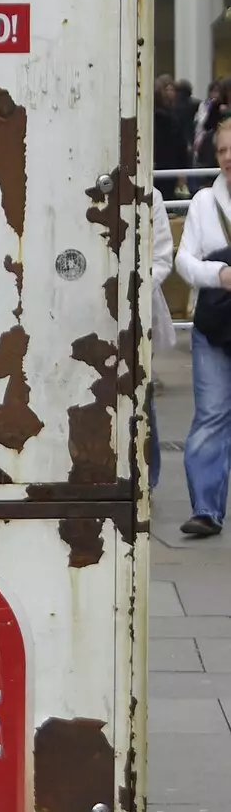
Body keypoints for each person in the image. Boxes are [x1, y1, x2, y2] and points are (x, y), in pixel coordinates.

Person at [175, 115, 231, 536]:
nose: (228, 158)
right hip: (216, 324)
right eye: (223, 151)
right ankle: (207, 510)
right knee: (211, 414)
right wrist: (219, 275)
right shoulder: (203, 203)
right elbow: (183, 261)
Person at [150, 190, 175, 487]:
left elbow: (162, 257)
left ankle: (148, 478)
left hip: (139, 305)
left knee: (141, 390)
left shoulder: (151, 195)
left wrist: (135, 286)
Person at [154, 74, 190, 200]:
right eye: (167, 89)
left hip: (164, 165)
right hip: (167, 165)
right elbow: (180, 146)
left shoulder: (174, 113)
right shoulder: (168, 117)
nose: (171, 93)